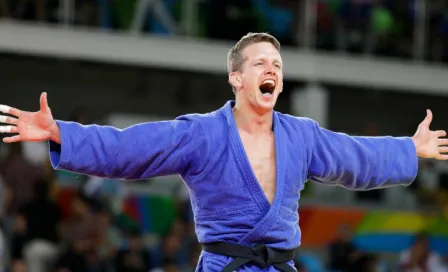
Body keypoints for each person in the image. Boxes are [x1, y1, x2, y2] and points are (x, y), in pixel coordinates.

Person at [0, 32, 447, 272]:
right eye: (260, 64)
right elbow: (128, 148)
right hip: (224, 266)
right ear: (236, 78)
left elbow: (356, 160)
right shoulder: (203, 134)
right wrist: (62, 134)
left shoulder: (302, 136)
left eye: (277, 65)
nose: (271, 69)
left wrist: (411, 148)